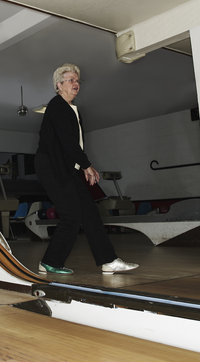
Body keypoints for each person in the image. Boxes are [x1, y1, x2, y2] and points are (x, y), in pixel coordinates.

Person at [34, 63, 138, 275]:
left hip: (66, 167)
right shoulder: (57, 106)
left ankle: (109, 260)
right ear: (58, 85)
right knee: (71, 216)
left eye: (77, 80)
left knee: (90, 213)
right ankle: (50, 262)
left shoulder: (72, 109)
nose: (76, 83)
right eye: (70, 80)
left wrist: (81, 166)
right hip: (52, 167)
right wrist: (86, 165)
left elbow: (72, 144)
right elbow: (67, 141)